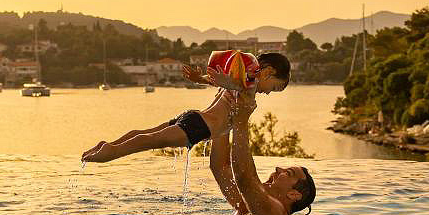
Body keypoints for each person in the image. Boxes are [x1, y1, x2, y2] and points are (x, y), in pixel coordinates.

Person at [81, 51, 290, 163]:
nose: (269, 93)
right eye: (274, 87)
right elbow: (236, 85)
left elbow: (229, 82)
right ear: (268, 72)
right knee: (151, 140)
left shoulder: (242, 77)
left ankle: (108, 145)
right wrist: (223, 81)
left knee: (148, 133)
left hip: (194, 118)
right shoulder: (249, 84)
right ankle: (112, 151)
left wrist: (201, 79)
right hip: (200, 127)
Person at [211, 91, 316, 215]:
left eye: (288, 173)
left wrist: (241, 120)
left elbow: (245, 178)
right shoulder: (246, 206)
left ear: (293, 194)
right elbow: (219, 167)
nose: (278, 169)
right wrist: (225, 105)